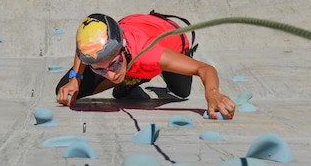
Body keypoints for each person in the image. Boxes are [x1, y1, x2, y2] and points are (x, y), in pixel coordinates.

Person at [55, 12, 236, 119]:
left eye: (114, 64)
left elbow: (205, 69)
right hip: (139, 25)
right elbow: (83, 47)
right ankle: (130, 79)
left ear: (123, 49)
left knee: (181, 92)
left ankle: (136, 78)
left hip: (170, 36)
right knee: (66, 91)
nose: (110, 74)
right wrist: (75, 78)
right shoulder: (100, 48)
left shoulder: (154, 56)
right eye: (99, 68)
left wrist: (212, 93)